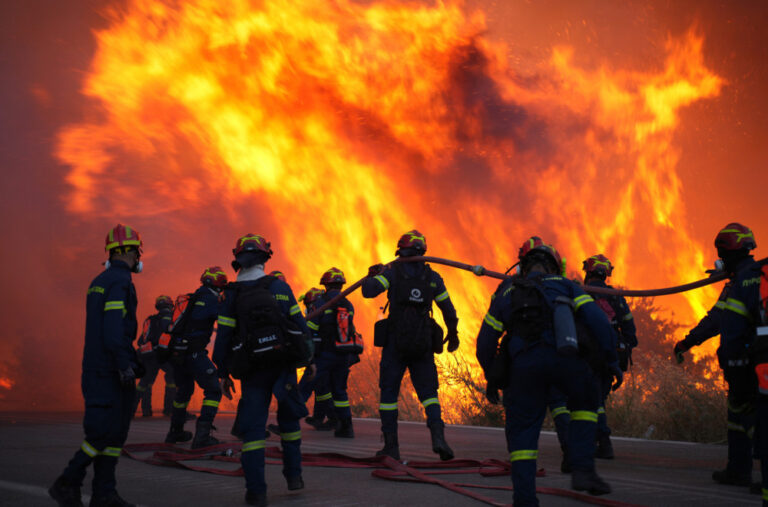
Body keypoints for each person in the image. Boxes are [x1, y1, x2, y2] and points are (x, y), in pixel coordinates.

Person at [476, 237, 620, 505]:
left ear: (523, 264)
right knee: (587, 403)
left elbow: (485, 343)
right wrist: (611, 362)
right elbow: (600, 324)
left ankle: (525, 500)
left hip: (523, 369)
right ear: (554, 265)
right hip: (566, 360)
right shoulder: (567, 286)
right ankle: (583, 469)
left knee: (522, 436)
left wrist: (494, 376)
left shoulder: (506, 291)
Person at [213, 234, 314, 506]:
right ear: (265, 258)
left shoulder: (231, 294)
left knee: (254, 430)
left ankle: (256, 492)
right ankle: (294, 478)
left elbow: (223, 337)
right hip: (283, 366)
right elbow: (301, 328)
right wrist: (310, 360)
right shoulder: (280, 288)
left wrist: (222, 372)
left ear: (238, 260)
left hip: (252, 370)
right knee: (289, 422)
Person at [49, 224, 144, 507]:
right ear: (127, 251)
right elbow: (114, 330)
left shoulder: (99, 280)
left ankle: (104, 493)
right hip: (108, 370)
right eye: (137, 250)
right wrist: (124, 365)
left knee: (114, 434)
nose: (139, 255)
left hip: (100, 367)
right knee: (102, 433)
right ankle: (67, 481)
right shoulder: (120, 282)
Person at [675, 223, 762, 487]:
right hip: (751, 360)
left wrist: (687, 343)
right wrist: (688, 342)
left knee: (752, 418)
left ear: (728, 254)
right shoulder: (757, 276)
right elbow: (719, 319)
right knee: (740, 416)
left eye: (721, 254)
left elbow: (720, 321)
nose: (720, 260)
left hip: (749, 362)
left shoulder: (742, 283)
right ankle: (737, 470)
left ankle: (747, 470)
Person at [362, 230, 459, 461]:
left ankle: (391, 448)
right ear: (422, 251)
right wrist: (453, 334)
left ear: (400, 250)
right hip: (422, 343)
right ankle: (438, 438)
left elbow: (368, 291)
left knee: (388, 395)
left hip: (396, 343)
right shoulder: (432, 277)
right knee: (429, 394)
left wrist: (372, 275)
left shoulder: (392, 272)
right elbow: (448, 309)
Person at [164, 266, 229, 448]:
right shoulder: (208, 299)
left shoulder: (195, 297)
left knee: (183, 391)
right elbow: (222, 319)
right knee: (214, 390)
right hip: (193, 353)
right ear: (217, 285)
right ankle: (202, 436)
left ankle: (175, 432)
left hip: (178, 353)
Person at [582, 254, 637, 459]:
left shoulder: (582, 293)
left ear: (588, 272)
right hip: (610, 356)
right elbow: (631, 329)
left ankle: (603, 443)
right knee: (598, 399)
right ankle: (597, 441)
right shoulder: (616, 297)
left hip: (588, 355)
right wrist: (625, 346)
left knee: (592, 400)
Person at [306, 268, 359, 438]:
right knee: (340, 392)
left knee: (304, 386)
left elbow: (311, 329)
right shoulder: (348, 304)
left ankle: (286, 423)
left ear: (326, 285)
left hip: (324, 354)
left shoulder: (321, 303)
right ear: (342, 285)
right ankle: (346, 428)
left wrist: (309, 356)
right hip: (343, 354)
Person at [134, 295, 176, 417]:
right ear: (170, 305)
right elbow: (170, 335)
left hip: (149, 355)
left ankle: (139, 410)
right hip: (163, 355)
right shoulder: (170, 318)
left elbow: (141, 341)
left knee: (145, 382)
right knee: (172, 378)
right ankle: (169, 409)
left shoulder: (150, 320)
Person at [298, 287, 333, 430]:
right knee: (323, 389)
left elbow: (312, 338)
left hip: (320, 359)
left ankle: (286, 423)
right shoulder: (329, 312)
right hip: (331, 358)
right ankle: (332, 418)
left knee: (302, 388)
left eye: (308, 304)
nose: (307, 308)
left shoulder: (317, 314)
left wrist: (309, 359)